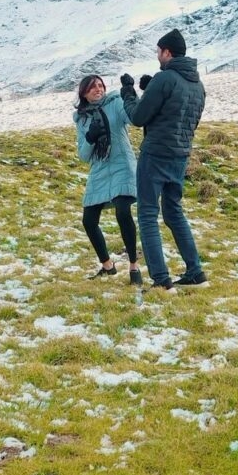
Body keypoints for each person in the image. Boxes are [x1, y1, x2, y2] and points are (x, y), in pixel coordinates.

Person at [120, 29, 206, 291]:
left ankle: (161, 280)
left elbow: (138, 117)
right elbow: (178, 112)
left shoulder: (166, 77)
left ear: (167, 52)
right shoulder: (197, 84)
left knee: (147, 214)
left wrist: (129, 91)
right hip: (180, 154)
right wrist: (151, 88)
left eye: (159, 51)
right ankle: (195, 272)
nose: (158, 56)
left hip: (155, 153)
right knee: (173, 212)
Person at [74, 74, 142, 285]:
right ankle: (107, 265)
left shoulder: (116, 103)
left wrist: (131, 94)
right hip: (100, 169)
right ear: (84, 92)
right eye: (93, 87)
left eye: (100, 85)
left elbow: (133, 119)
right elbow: (84, 156)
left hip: (122, 164)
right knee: (88, 220)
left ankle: (134, 266)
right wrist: (90, 138)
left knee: (123, 212)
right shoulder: (82, 118)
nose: (98, 89)